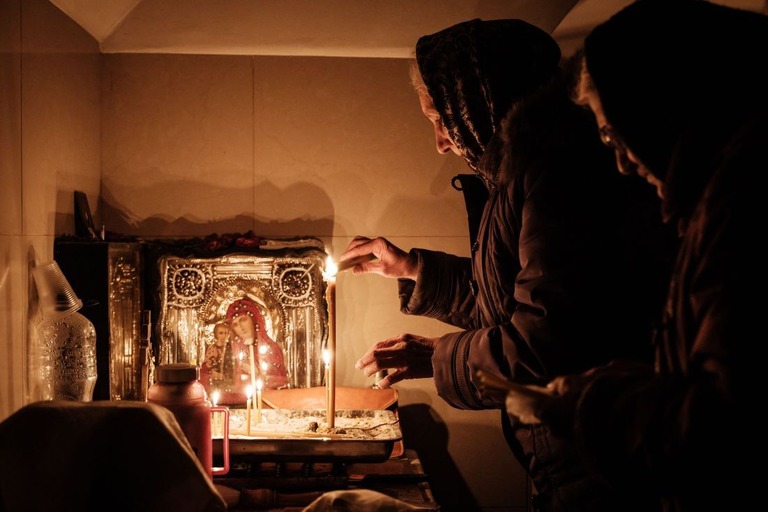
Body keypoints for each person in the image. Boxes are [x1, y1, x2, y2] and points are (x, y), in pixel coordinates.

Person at [341, 18, 676, 512]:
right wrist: (414, 268)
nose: (440, 142)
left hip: (599, 457)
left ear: (478, 99)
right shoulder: (515, 174)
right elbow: (510, 297)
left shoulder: (557, 175)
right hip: (570, 448)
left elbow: (542, 343)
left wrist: (438, 357)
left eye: (440, 118)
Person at [502, 1, 767, 511]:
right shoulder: (709, 200)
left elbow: (730, 427)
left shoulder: (742, 204)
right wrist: (641, 382)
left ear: (658, 106)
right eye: (605, 137)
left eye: (614, 129)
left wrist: (594, 407)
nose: (621, 162)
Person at [226, 296, 289, 390]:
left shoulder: (270, 349)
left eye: (243, 320)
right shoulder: (234, 353)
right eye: (235, 325)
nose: (240, 327)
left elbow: (280, 381)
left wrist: (258, 374)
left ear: (254, 319)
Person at [200, 322, 234, 391]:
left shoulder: (231, 347)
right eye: (221, 333)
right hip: (217, 381)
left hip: (230, 380)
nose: (224, 335)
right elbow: (207, 366)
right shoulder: (212, 348)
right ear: (216, 334)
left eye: (226, 333)